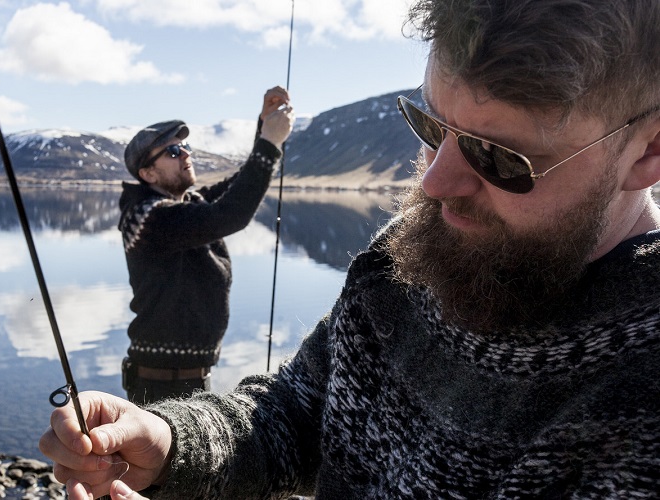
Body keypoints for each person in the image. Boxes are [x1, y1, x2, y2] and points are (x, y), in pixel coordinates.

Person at [41, 0, 660, 497]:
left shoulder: (637, 403)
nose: (433, 186)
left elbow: (228, 205)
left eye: (501, 158)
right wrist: (173, 442)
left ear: (648, 151)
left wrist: (265, 145)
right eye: (431, 126)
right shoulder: (407, 254)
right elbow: (298, 414)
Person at [116, 87, 294, 405]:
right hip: (161, 387)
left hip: (187, 379)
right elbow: (229, 215)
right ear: (147, 173)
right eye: (172, 152)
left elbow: (239, 187)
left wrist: (264, 128)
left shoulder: (188, 202)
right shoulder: (149, 217)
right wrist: (268, 143)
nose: (185, 154)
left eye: (184, 147)